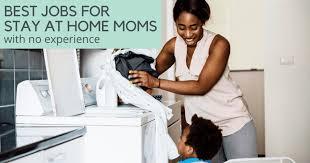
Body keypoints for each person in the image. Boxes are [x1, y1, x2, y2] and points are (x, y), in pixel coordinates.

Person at [128, 0, 257, 162]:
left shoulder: (219, 44)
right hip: (202, 131)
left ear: (203, 21)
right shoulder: (173, 46)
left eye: (193, 27)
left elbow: (201, 86)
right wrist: (127, 87)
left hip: (233, 122)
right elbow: (148, 73)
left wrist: (155, 83)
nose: (187, 34)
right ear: (175, 24)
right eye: (181, 27)